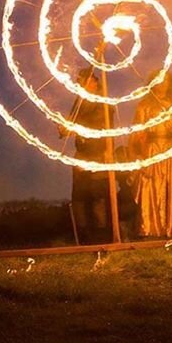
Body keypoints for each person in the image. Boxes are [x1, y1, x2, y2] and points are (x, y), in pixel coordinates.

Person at [129, 72, 172, 238]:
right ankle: (150, 228)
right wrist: (140, 154)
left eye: (166, 81)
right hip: (152, 151)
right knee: (152, 187)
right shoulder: (144, 105)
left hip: (171, 151)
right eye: (159, 81)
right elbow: (137, 131)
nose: (162, 84)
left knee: (171, 187)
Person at [59, 68, 111, 244]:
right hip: (81, 154)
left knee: (98, 195)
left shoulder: (103, 103)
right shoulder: (79, 102)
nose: (86, 85)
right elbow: (70, 125)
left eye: (88, 81)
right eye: (83, 82)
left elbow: (103, 126)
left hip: (98, 154)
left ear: (95, 82)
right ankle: (83, 236)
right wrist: (65, 128)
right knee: (80, 196)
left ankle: (101, 236)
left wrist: (107, 152)